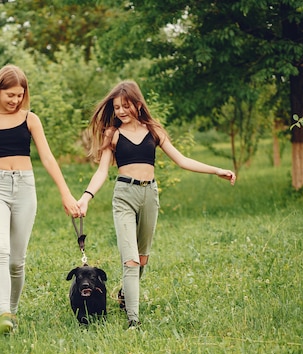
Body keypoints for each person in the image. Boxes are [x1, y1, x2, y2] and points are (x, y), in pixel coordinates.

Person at [77, 80, 236, 329]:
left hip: (150, 195)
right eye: (117, 107)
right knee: (130, 260)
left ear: (138, 105)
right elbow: (101, 171)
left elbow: (182, 160)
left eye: (125, 106)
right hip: (124, 196)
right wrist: (86, 197)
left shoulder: (153, 131)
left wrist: (216, 170)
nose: (120, 111)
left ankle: (124, 295)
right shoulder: (113, 134)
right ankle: (134, 321)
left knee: (141, 259)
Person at [0, 64, 80, 334]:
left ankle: (11, 312)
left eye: (20, 95)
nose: (15, 100)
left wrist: (66, 193)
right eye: (10, 95)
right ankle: (3, 311)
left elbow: (48, 158)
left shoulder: (30, 119)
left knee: (17, 261)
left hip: (25, 188)